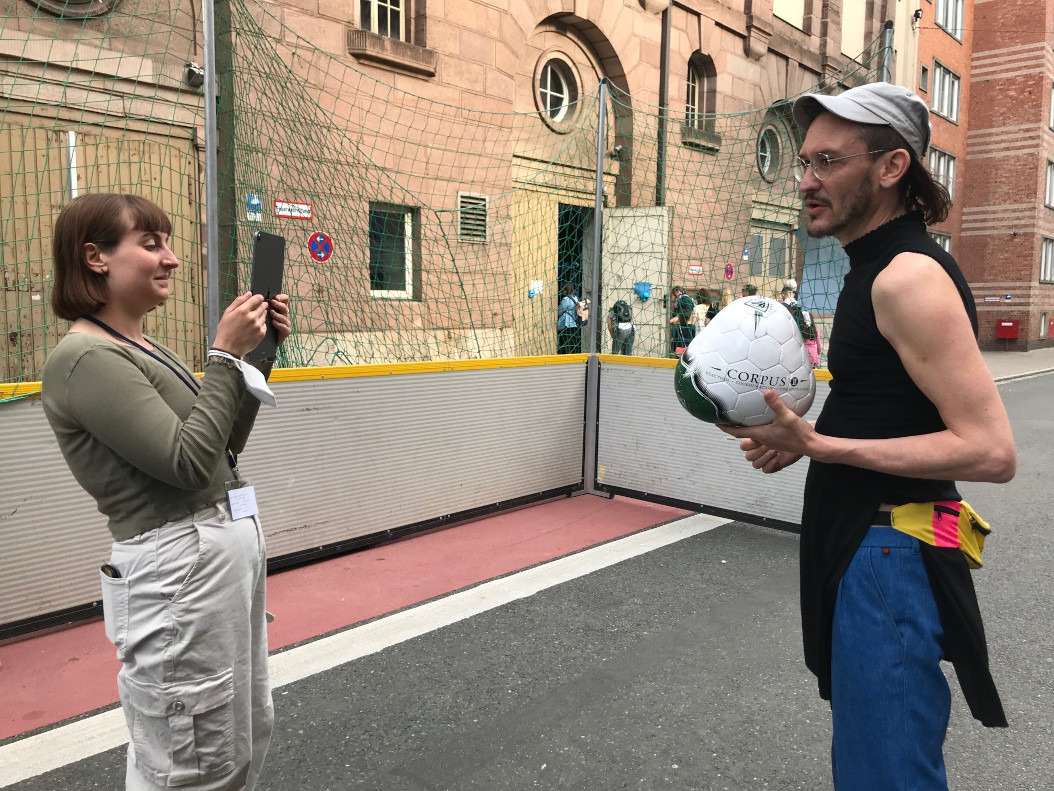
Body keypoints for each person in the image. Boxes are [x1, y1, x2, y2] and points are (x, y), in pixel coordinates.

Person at [719, 82, 1016, 790]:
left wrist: (825, 446)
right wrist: (803, 436)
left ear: (891, 168)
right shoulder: (870, 270)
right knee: (870, 766)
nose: (806, 181)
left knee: (886, 776)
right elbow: (897, 409)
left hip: (889, 553)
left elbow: (991, 449)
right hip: (869, 544)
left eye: (827, 161)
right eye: (805, 161)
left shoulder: (906, 277)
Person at [40, 193, 292, 791]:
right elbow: (186, 464)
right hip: (176, 568)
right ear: (95, 257)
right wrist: (225, 355)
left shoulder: (140, 347)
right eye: (150, 244)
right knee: (190, 760)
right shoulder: (83, 358)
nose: (171, 259)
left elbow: (221, 450)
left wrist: (257, 355)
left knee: (234, 738)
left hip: (207, 562)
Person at [780, 282, 821, 367]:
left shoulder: (783, 306)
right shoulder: (802, 306)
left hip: (791, 340)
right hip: (810, 354)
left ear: (783, 294)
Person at [668, 285, 695, 354]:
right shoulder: (681, 299)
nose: (674, 297)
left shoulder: (685, 298)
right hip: (682, 325)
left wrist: (677, 318)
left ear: (678, 291)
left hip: (685, 326)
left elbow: (687, 312)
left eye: (674, 295)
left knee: (683, 345)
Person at [556, 282, 581, 354]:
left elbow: (560, 310)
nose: (562, 291)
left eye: (564, 290)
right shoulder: (575, 298)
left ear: (566, 290)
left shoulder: (566, 299)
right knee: (571, 341)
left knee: (563, 342)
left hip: (565, 322)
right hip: (573, 322)